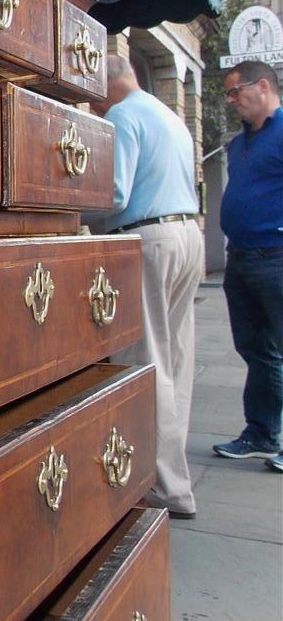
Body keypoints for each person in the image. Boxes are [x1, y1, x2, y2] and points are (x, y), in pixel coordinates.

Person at [94, 55, 206, 517]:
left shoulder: (122, 115)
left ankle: (158, 482)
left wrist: (67, 212)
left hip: (148, 238)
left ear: (107, 85)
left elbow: (116, 194)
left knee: (146, 361)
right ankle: (174, 481)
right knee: (176, 360)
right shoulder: (169, 116)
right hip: (189, 236)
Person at [213, 60, 283, 472]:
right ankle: (260, 434)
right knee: (256, 350)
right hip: (240, 258)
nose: (231, 100)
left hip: (275, 256)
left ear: (262, 86)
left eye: (235, 91)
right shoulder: (239, 144)